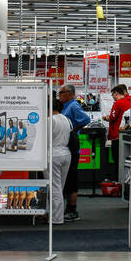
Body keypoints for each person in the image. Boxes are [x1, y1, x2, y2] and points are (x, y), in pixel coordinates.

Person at [58, 84, 90, 222]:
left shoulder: (73, 106)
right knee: (66, 178)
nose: (59, 95)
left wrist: (72, 131)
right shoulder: (66, 107)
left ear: (70, 93)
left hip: (71, 146)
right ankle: (66, 208)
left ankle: (72, 210)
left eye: (62, 93)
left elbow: (86, 119)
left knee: (71, 177)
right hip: (64, 145)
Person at [49, 95, 73, 224]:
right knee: (60, 187)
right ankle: (56, 215)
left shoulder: (49, 120)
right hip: (66, 153)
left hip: (53, 154)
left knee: (55, 187)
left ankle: (56, 218)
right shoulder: (66, 119)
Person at [103, 84, 131, 181]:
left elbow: (112, 117)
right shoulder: (130, 101)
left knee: (116, 158)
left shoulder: (118, 103)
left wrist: (105, 117)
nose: (113, 98)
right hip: (126, 135)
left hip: (116, 134)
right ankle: (123, 178)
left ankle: (117, 179)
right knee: (124, 159)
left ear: (116, 94)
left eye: (113, 95)